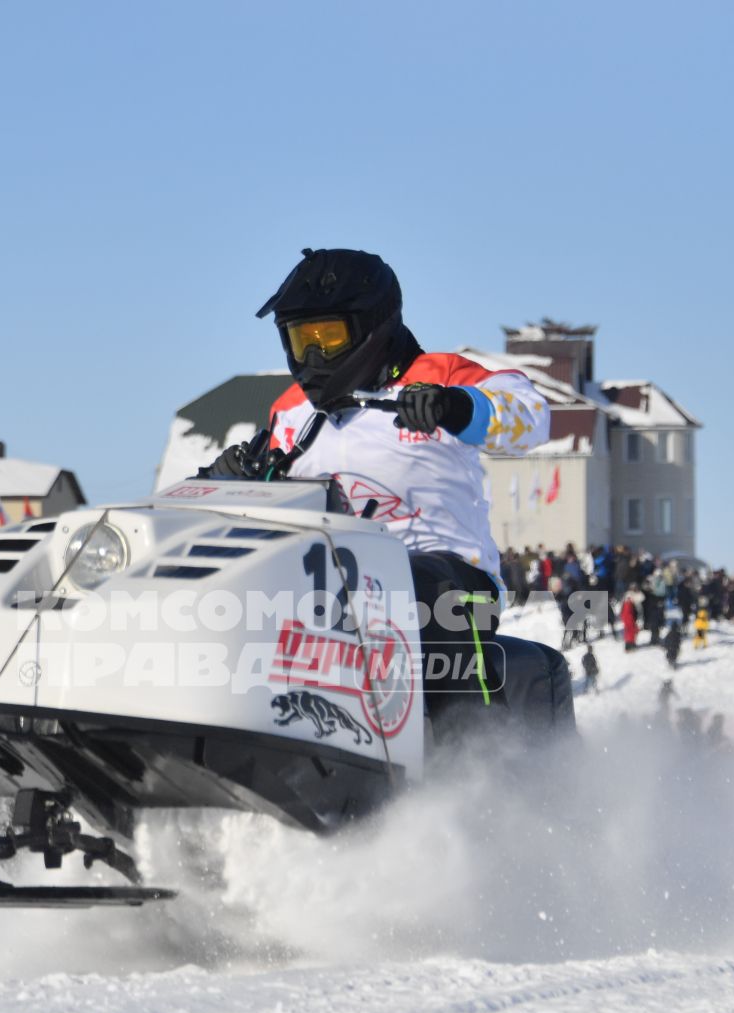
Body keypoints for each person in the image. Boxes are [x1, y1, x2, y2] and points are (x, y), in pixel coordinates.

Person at [198, 248, 550, 705]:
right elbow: (269, 493)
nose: (313, 355)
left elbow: (531, 415)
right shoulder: (291, 411)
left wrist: (456, 406)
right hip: (329, 581)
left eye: (327, 337)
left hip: (447, 580)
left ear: (371, 326)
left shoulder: (441, 375)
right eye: (301, 339)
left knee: (418, 585)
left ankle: (470, 757)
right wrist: (231, 481)